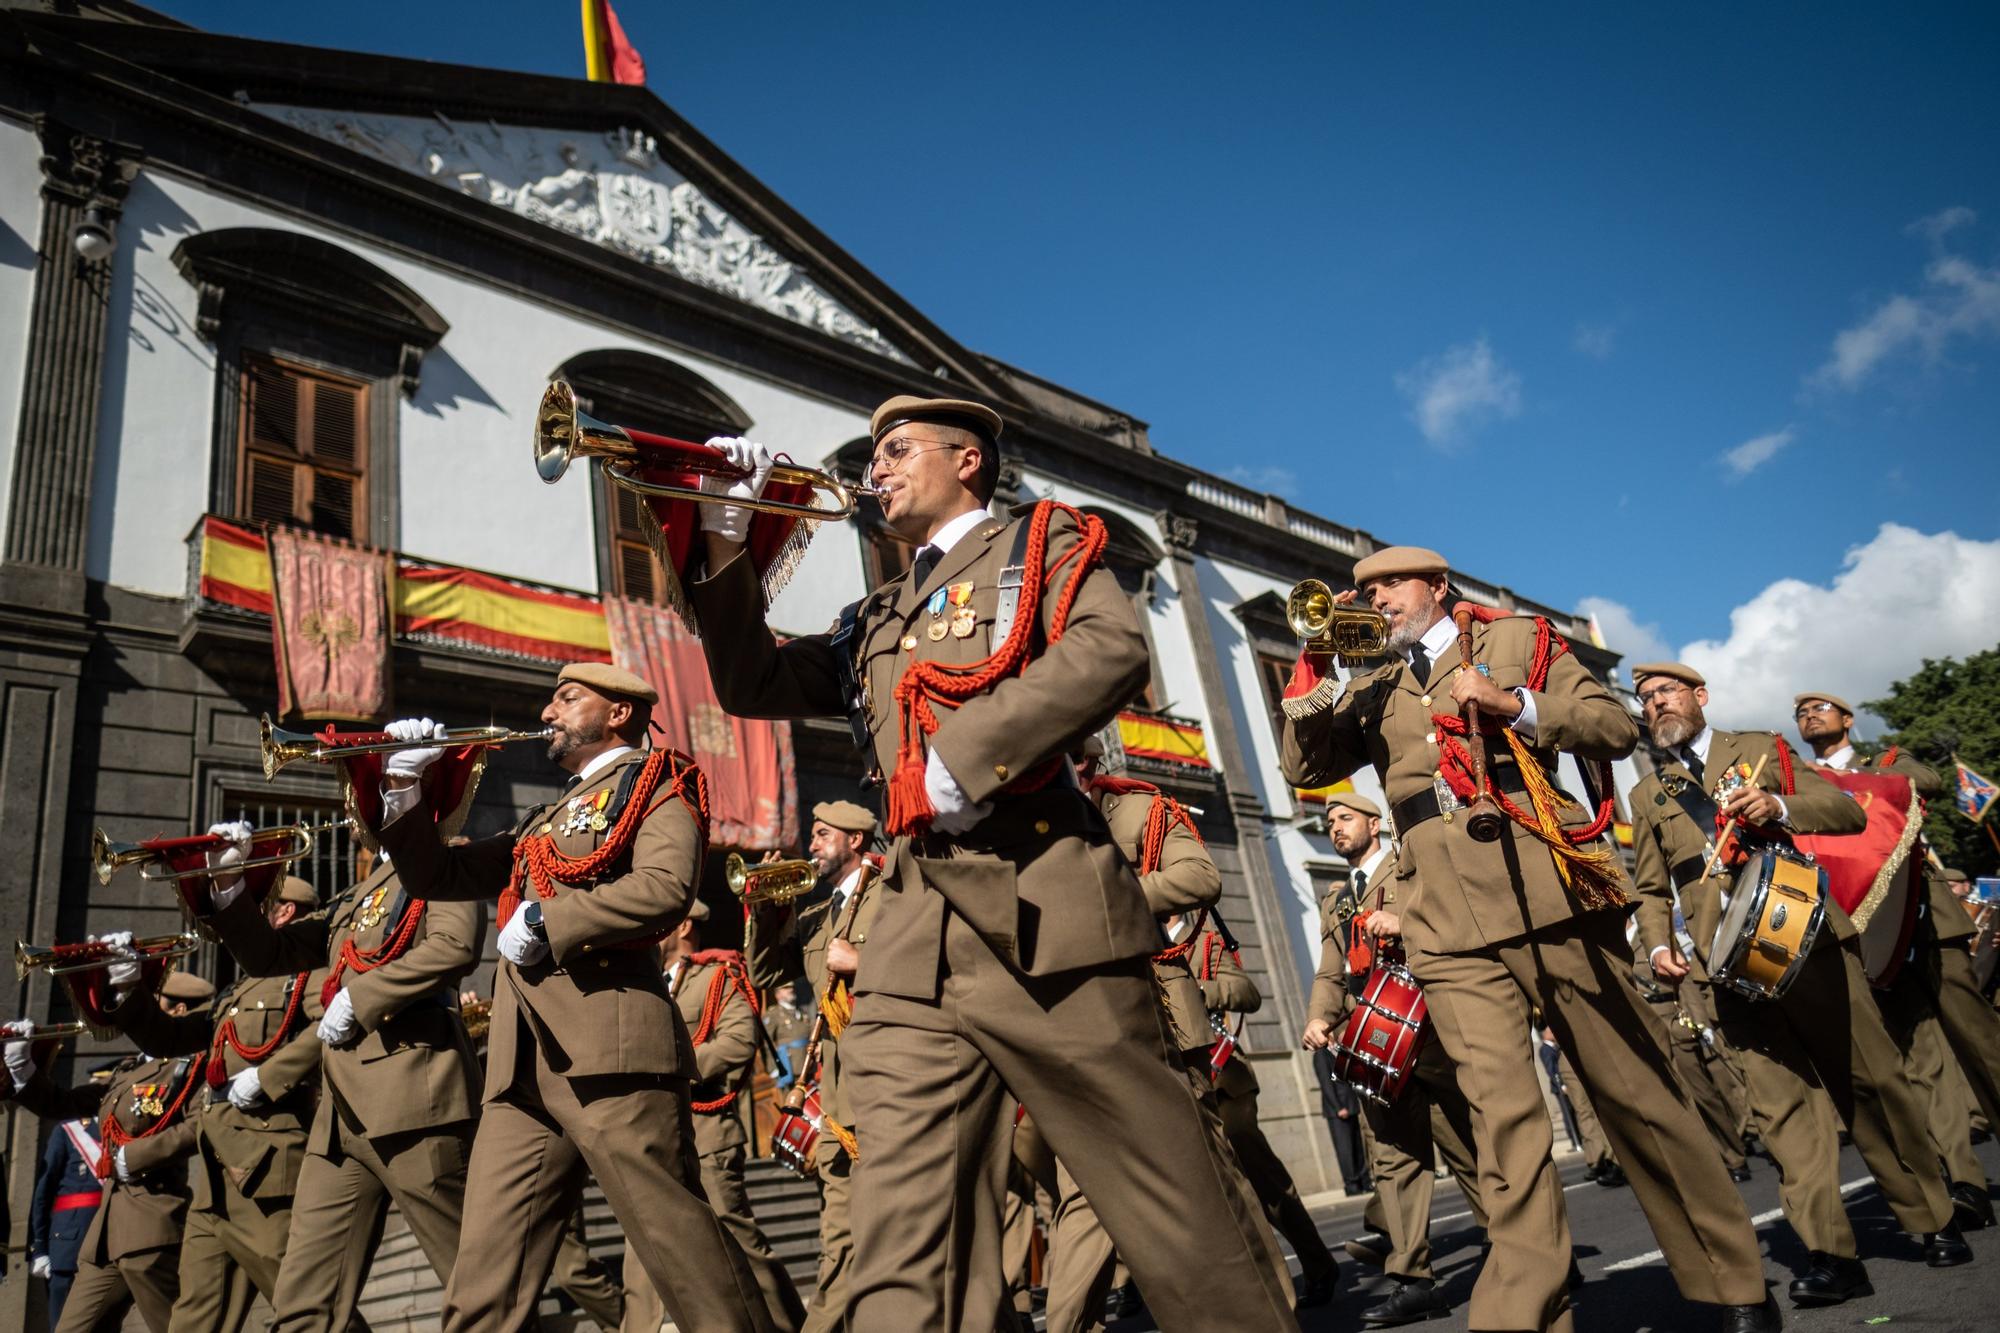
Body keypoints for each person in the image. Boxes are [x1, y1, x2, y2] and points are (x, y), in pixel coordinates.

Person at [687, 397, 1296, 1330]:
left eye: (898, 451)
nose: (876, 469)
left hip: (1043, 914)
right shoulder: (875, 615)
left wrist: (962, 759)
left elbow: (1114, 648)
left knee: (1168, 1202)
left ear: (967, 460)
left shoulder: (1040, 546)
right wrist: (726, 525)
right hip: (912, 939)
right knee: (902, 1235)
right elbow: (750, 680)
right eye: (876, 454)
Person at [1281, 548, 1775, 1333]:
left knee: (1635, 1093)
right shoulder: (1368, 677)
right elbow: (1303, 767)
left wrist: (1518, 705)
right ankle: (1524, 1318)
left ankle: (1732, 1281)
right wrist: (1318, 663)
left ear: (1437, 586)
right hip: (1441, 916)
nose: (1375, 599)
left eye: (1391, 585)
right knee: (1502, 1120)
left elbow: (1613, 727)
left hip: (1542, 889)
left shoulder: (1515, 641)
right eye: (1364, 589)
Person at [365, 661, 777, 1333]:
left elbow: (666, 887)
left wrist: (547, 921)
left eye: (567, 697)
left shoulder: (657, 780)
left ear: (618, 712)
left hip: (609, 1050)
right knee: (484, 1281)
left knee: (685, 1258)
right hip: (521, 1067)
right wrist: (406, 782)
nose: (548, 711)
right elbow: (433, 871)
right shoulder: (543, 816)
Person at [1629, 664, 1969, 1308]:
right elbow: (1649, 889)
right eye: (1645, 699)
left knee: (1871, 1082)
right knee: (1782, 1110)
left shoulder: (1760, 750)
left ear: (1699, 697)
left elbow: (1843, 811)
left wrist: (1779, 805)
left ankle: (1931, 1215)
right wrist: (1657, 943)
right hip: (1730, 967)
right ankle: (1831, 1255)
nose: (1655, 705)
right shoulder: (1648, 795)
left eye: (1666, 693)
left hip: (1806, 939)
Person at [1035, 741, 1302, 1329]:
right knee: (1081, 1192)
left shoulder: (1140, 814)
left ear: (1087, 763)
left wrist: (1104, 894)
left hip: (1160, 1021)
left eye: (1064, 758)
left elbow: (1200, 877)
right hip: (1075, 1029)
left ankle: (1273, 1313)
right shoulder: (1026, 829)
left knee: (1213, 1176)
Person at [199, 849, 485, 1333]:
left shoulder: (441, 856)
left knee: (479, 1290)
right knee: (304, 1304)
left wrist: (362, 997)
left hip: (413, 1098)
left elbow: (454, 945)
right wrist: (230, 890)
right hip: (337, 1123)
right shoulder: (353, 895)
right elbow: (267, 954)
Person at [1796, 689, 2000, 1231]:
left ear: (1847, 718)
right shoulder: (1798, 781)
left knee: (1981, 1044)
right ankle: (1964, 1181)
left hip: (1926, 920)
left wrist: (1848, 786)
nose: (1809, 715)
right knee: (1918, 1061)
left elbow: (1925, 782)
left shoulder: (1884, 760)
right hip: (1866, 933)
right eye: (1800, 713)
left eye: (1820, 708)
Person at [101, 880, 329, 1333]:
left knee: (307, 1310)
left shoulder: (307, 971)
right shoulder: (240, 986)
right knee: (194, 1320)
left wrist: (267, 1077)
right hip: (216, 1178)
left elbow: (327, 1028)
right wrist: (130, 987)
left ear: (283, 912)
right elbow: (169, 1039)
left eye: (255, 904)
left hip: (265, 1172)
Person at [1303, 793, 1480, 1327]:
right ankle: (1413, 1280)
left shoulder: (1411, 866)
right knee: (1394, 1159)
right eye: (1330, 821)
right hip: (1375, 1042)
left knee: (1469, 1148)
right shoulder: (1335, 902)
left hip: (1431, 1029)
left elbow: (1454, 913)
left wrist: (1402, 920)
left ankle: (1532, 1249)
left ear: (1374, 825)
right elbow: (1330, 973)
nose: (1336, 828)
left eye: (1346, 819)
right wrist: (1320, 1018)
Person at [624, 898, 805, 1333]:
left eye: (660, 924)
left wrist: (672, 1069)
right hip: (651, 1139)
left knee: (739, 1245)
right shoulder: (646, 982)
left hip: (707, 1135)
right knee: (642, 1256)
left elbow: (740, 1042)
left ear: (684, 925)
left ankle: (795, 1326)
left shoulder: (718, 977)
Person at [5, 972, 219, 1333]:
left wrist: (133, 1157)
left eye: (150, 1001)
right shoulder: (129, 1069)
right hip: (103, 1236)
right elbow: (64, 1103)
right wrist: (22, 1068)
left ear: (177, 1009)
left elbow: (201, 1125)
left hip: (150, 1228)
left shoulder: (190, 1068)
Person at [741, 799, 884, 1333]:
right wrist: (764, 907)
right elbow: (763, 972)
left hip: (889, 1086)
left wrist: (862, 963)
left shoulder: (892, 897)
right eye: (814, 833)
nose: (813, 844)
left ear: (856, 841)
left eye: (825, 834)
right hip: (840, 1098)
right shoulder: (817, 914)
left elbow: (930, 967)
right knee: (840, 1240)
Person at [28, 1103, 107, 1328]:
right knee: (64, 1325)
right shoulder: (69, 1131)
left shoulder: (119, 1129)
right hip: (68, 1247)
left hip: (111, 1242)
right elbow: (44, 1192)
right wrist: (39, 1247)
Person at [766, 981, 813, 1092]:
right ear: (777, 994)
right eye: (786, 987)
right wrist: (774, 1067)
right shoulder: (773, 1014)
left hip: (807, 1064)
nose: (791, 989)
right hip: (789, 1066)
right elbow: (767, 1043)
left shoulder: (801, 1012)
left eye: (792, 987)